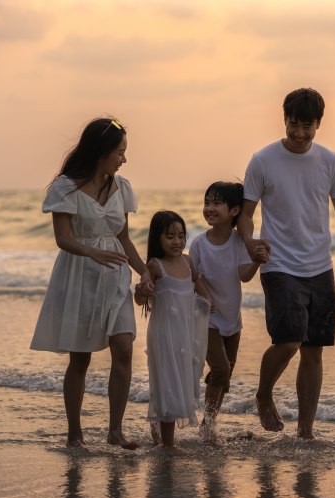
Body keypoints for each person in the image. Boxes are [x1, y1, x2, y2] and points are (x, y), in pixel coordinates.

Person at [237, 88, 335, 440]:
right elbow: (246, 215)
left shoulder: (331, 162)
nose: (299, 133)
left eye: (307, 126)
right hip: (279, 264)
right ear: (285, 120)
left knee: (313, 351)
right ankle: (264, 394)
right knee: (289, 342)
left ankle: (305, 432)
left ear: (318, 124)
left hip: (320, 267)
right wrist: (250, 244)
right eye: (293, 124)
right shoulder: (263, 160)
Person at [30, 117, 154, 450]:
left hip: (115, 275)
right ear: (101, 152)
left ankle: (115, 431)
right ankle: (75, 434)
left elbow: (123, 238)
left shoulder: (122, 187)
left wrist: (144, 272)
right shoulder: (66, 187)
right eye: (120, 152)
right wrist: (92, 253)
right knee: (80, 359)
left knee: (125, 349)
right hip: (79, 276)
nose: (124, 159)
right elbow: (62, 238)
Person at [189, 182, 268, 443]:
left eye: (216, 203)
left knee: (226, 374)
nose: (209, 209)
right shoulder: (200, 244)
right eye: (207, 202)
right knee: (220, 369)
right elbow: (192, 277)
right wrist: (205, 296)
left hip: (233, 320)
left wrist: (256, 260)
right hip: (207, 317)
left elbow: (243, 276)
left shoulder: (238, 243)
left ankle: (208, 424)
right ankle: (208, 425)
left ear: (235, 210)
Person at [134, 211, 214, 456]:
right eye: (170, 236)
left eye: (181, 235)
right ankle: (168, 445)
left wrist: (206, 302)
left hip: (184, 336)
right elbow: (139, 300)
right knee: (167, 382)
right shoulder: (155, 266)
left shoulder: (188, 262)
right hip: (164, 335)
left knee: (179, 380)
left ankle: (158, 434)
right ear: (157, 239)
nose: (177, 241)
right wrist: (142, 291)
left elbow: (199, 289)